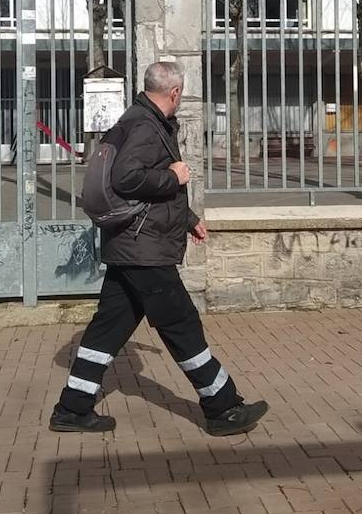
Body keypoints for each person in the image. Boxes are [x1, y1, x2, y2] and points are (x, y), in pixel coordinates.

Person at [50, 60, 269, 436]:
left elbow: (145, 192)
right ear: (175, 92)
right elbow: (128, 178)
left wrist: (187, 219)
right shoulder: (145, 126)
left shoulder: (137, 119)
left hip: (130, 245)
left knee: (108, 329)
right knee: (181, 324)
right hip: (144, 249)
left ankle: (72, 408)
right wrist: (173, 175)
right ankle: (223, 407)